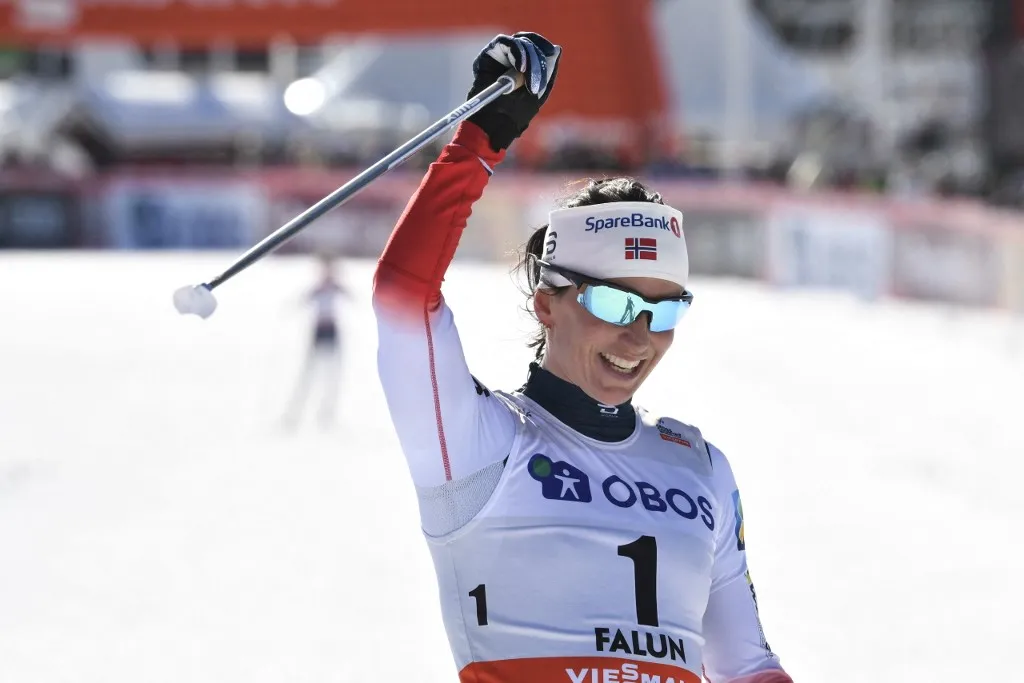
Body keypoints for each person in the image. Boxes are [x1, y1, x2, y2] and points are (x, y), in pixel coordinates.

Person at [372, 33, 793, 683]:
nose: (640, 337)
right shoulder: (480, 443)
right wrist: (479, 140)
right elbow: (404, 297)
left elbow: (748, 666)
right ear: (548, 304)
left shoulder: (701, 466)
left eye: (665, 311)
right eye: (618, 306)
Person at [282, 254, 347, 428]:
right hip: (318, 331)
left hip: (332, 331)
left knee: (332, 373)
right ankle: (295, 413)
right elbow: (302, 300)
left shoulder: (335, 287)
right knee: (309, 372)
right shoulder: (318, 288)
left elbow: (351, 296)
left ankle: (327, 414)